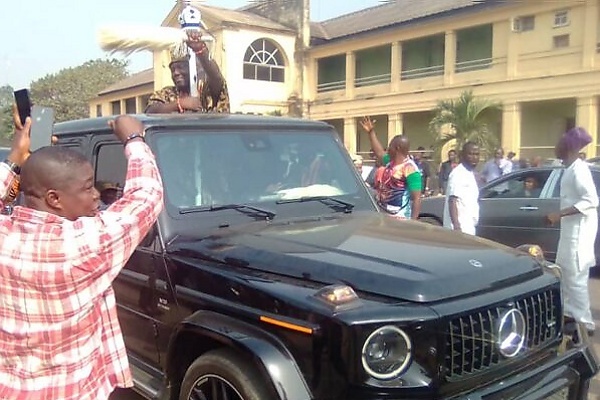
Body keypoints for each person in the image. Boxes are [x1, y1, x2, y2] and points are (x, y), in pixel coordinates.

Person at [0, 111, 164, 399]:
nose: (97, 195)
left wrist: (15, 157)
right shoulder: (82, 243)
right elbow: (146, 196)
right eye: (88, 187)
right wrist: (135, 139)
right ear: (54, 199)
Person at [546, 127, 598, 335]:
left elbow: (591, 200)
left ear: (567, 146)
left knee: (576, 278)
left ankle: (585, 324)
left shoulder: (580, 170)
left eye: (558, 143)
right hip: (569, 235)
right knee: (565, 275)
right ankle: (569, 315)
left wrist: (559, 214)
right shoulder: (570, 169)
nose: (555, 147)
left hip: (578, 236)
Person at [146, 31, 229, 114]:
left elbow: (216, 78)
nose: (176, 73)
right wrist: (180, 104)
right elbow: (150, 111)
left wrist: (200, 50)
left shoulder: (204, 91)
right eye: (173, 70)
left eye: (180, 67)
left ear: (193, 68)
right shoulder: (167, 93)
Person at [373, 135, 422, 220]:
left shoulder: (410, 169)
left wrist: (413, 222)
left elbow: (416, 198)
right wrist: (371, 133)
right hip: (384, 212)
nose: (388, 150)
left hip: (400, 216)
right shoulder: (391, 162)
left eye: (390, 147)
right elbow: (380, 153)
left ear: (397, 148)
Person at [443, 142, 480, 235]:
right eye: (471, 154)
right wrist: (456, 226)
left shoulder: (470, 173)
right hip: (460, 229)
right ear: (462, 155)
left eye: (477, 154)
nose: (474, 157)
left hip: (469, 226)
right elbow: (452, 201)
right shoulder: (458, 174)